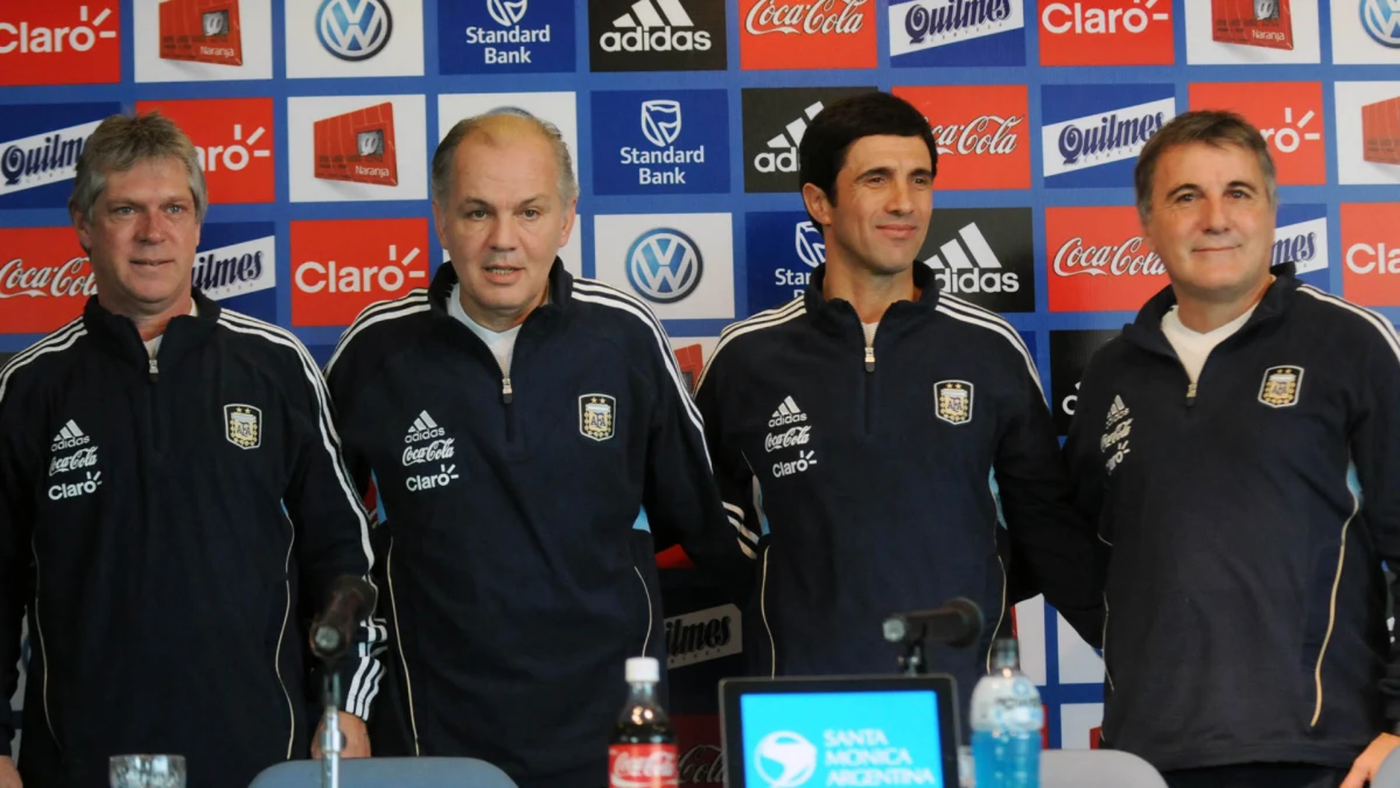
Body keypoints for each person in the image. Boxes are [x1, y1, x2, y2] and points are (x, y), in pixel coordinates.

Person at [322, 108, 749, 788]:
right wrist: (342, 697)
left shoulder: (625, 339)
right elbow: (326, 542)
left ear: (566, 218)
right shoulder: (378, 349)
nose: (503, 241)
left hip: (611, 732)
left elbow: (703, 519)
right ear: (439, 216)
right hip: (434, 730)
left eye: (529, 211)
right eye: (476, 213)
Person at [0, 113, 383, 788]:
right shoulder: (29, 388)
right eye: (126, 210)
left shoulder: (277, 367)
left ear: (199, 222)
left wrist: (345, 705)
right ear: (84, 225)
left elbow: (342, 558)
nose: (154, 233)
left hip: (263, 762)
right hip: (81, 765)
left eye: (174, 208)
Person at [693, 91, 1102, 716]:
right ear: (819, 202)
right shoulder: (749, 356)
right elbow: (708, 530)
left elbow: (1046, 531)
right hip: (797, 712)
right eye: (876, 179)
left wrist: (1138, 654)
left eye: (919, 180)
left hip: (959, 707)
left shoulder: (989, 350)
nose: (904, 204)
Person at [1064, 109, 1400, 788]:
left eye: (1239, 193)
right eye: (1186, 197)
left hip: (1320, 758)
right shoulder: (1112, 374)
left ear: (1272, 210)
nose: (1215, 218)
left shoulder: (1351, 346)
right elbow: (1087, 551)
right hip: (1147, 758)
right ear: (1146, 222)